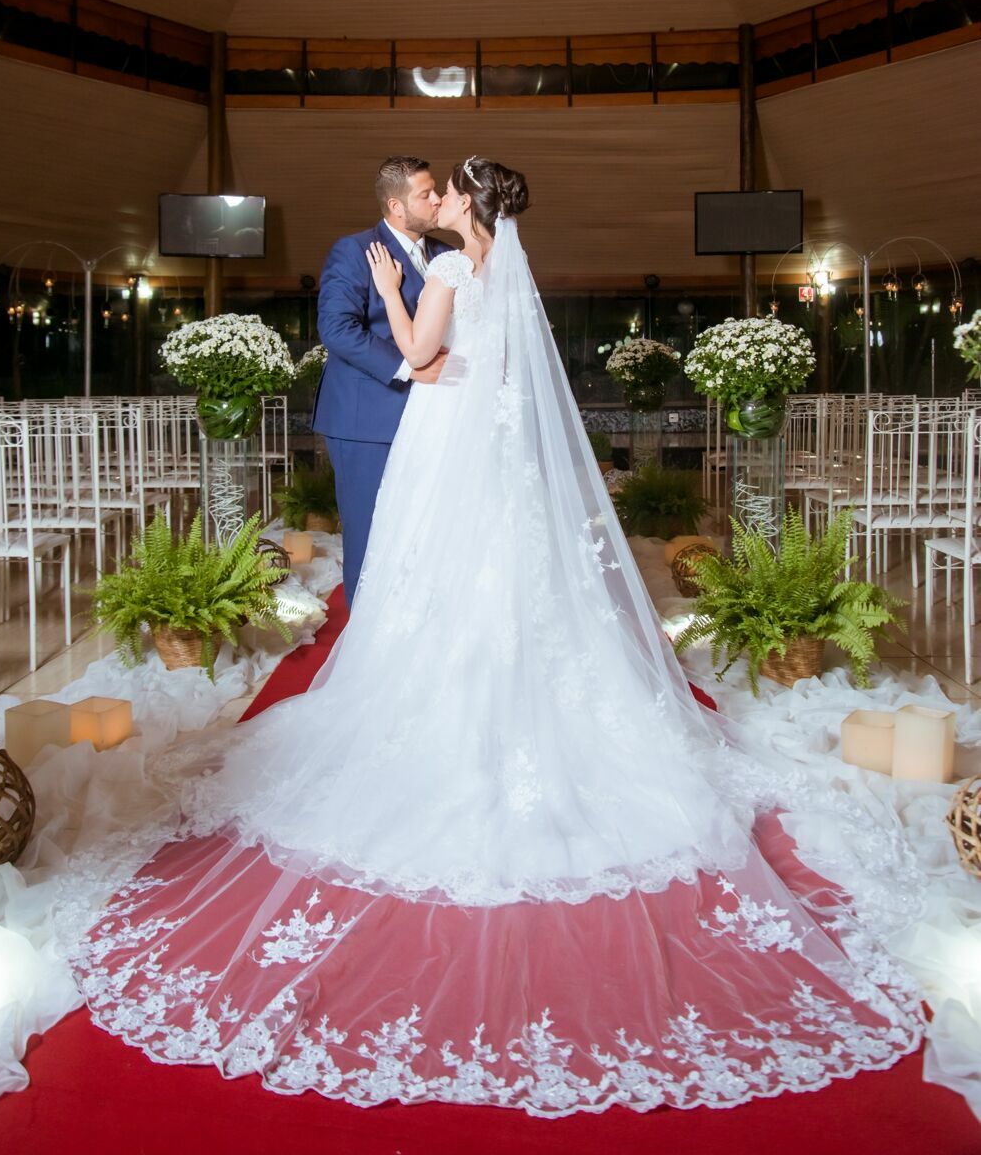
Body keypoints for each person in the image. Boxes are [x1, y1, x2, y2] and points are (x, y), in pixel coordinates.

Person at [70, 157, 920, 1116]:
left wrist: (398, 298)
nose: (438, 202)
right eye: (428, 191)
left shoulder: (436, 272)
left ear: (464, 204)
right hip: (492, 461)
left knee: (423, 584)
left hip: (441, 448)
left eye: (449, 191)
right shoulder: (506, 272)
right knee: (510, 586)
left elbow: (425, 361)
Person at [311, 156, 452, 606]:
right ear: (395, 206)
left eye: (436, 191)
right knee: (371, 535)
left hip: (434, 417)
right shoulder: (354, 251)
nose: (437, 200)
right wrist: (412, 367)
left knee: (426, 534)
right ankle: (363, 650)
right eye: (425, 194)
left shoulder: (446, 257)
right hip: (366, 421)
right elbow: (337, 329)